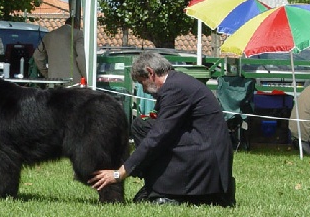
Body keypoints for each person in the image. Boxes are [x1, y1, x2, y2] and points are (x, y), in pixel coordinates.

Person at [89, 51, 235, 206]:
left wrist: (119, 173)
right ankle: (156, 185)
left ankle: (167, 192)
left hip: (206, 155)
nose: (143, 90)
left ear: (150, 73)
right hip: (203, 145)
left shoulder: (175, 89)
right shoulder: (176, 83)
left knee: (153, 137)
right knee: (141, 125)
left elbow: (158, 136)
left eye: (141, 82)